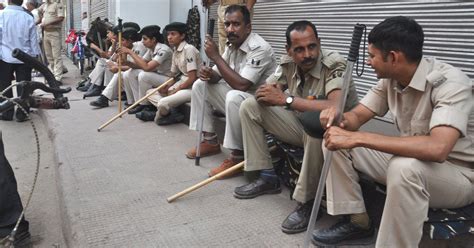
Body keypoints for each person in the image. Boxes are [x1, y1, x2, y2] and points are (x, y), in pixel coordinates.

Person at [312, 16, 474, 247]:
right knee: (334, 142)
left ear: (393, 57)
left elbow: (438, 148)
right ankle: (357, 222)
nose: (368, 63)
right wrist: (338, 118)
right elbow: (357, 117)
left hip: (457, 175)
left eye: (372, 56)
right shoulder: (391, 80)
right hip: (413, 162)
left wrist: (358, 138)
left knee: (404, 168)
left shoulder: (450, 84)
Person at [234, 20, 359, 234]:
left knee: (314, 123)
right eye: (299, 50)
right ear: (289, 51)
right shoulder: (288, 63)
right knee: (250, 106)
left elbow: (334, 107)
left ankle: (308, 202)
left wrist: (287, 100)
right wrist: (268, 94)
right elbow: (268, 91)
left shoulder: (334, 63)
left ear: (319, 43)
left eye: (312, 46)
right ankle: (266, 175)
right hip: (302, 124)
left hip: (336, 132)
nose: (307, 54)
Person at [186, 5, 276, 177]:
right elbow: (218, 76)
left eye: (236, 24)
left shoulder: (259, 48)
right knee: (200, 84)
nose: (230, 29)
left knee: (234, 95)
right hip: (241, 99)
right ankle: (210, 142)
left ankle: (237, 155)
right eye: (227, 24)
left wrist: (216, 57)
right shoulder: (231, 45)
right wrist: (208, 73)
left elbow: (242, 85)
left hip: (261, 106)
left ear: (248, 27)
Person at [136, 22, 201, 125]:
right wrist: (166, 86)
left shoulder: (189, 50)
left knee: (163, 102)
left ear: (182, 36)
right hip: (181, 82)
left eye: (173, 34)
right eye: (168, 34)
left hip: (192, 87)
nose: (169, 37)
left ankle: (162, 113)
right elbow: (173, 75)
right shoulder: (175, 50)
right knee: (149, 93)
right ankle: (170, 112)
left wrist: (176, 89)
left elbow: (192, 77)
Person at [116, 25, 173, 117]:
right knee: (129, 73)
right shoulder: (151, 49)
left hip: (169, 79)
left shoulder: (163, 49)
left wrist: (130, 52)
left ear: (153, 39)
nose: (142, 41)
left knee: (144, 75)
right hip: (159, 76)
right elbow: (139, 65)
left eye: (145, 39)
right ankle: (134, 102)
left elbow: (147, 68)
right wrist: (126, 62)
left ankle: (145, 105)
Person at [0, 0, 40, 122]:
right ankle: (22, 113)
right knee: (24, 87)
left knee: (5, 85)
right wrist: (35, 57)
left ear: (8, 1)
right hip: (25, 57)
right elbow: (34, 40)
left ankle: (7, 112)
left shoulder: (1, 15)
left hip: (4, 57)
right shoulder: (28, 17)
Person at [89, 26, 147, 108]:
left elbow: (137, 66)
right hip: (132, 70)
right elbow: (120, 61)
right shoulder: (125, 46)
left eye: (122, 40)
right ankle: (100, 90)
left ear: (130, 41)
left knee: (120, 73)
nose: (120, 42)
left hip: (139, 71)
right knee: (108, 64)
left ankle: (104, 98)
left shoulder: (139, 46)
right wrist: (119, 57)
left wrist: (118, 67)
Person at [37, 0, 65, 81]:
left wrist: (47, 23)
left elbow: (61, 18)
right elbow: (39, 11)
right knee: (49, 56)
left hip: (54, 33)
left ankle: (58, 78)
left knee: (57, 56)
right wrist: (40, 20)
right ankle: (53, 74)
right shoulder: (45, 5)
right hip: (46, 33)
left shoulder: (58, 4)